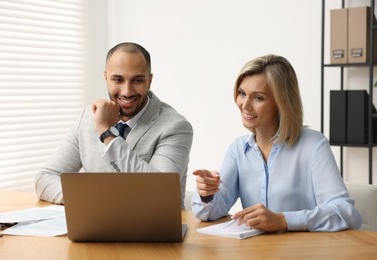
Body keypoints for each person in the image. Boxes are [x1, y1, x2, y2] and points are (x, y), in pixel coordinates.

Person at [192, 54, 362, 232]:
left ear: (282, 102)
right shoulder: (238, 149)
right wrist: (207, 193)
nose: (245, 105)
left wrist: (283, 220)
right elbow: (210, 213)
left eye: (258, 98)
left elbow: (346, 213)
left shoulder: (313, 145)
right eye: (242, 93)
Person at [35, 42, 193, 208]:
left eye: (137, 80)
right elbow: (45, 178)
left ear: (150, 80)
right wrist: (95, 200)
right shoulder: (87, 118)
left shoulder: (175, 127)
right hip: (95, 229)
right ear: (106, 78)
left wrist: (106, 133)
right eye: (118, 79)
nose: (127, 91)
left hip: (153, 231)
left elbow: (159, 192)